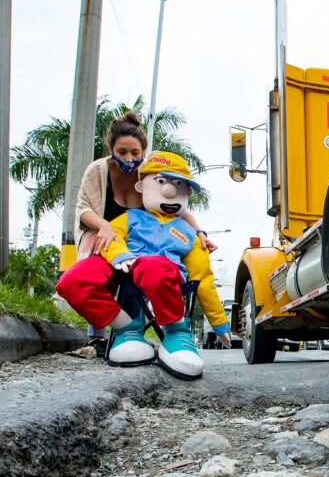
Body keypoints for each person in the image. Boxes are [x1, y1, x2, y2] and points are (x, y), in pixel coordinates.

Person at [57, 152, 230, 379]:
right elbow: (111, 239)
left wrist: (220, 325)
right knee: (73, 280)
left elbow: (203, 281)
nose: (169, 190)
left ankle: (177, 332)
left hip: (164, 277)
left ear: (186, 191)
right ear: (142, 186)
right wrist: (121, 256)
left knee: (155, 266)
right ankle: (126, 328)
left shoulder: (191, 235)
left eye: (178, 184)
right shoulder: (131, 217)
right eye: (161, 182)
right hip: (125, 265)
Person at [70, 111, 216, 350]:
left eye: (134, 153)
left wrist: (200, 232)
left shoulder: (150, 173)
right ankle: (101, 333)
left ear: (143, 152)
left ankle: (135, 332)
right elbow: (83, 209)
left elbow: (174, 209)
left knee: (138, 281)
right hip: (105, 235)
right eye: (122, 152)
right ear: (111, 150)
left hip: (140, 245)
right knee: (96, 280)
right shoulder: (98, 171)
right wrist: (104, 225)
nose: (129, 158)